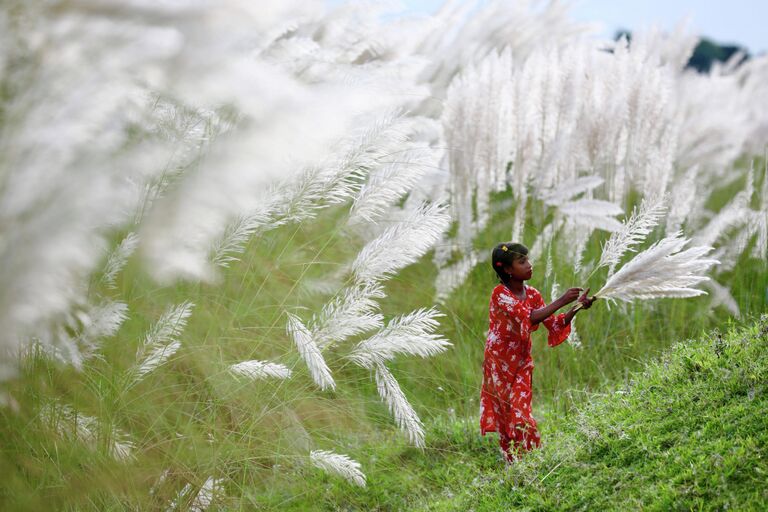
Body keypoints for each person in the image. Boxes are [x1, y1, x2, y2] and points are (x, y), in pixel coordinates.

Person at [479, 242, 595, 464]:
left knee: (522, 415)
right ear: (507, 270)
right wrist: (562, 300)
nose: (530, 265)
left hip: (522, 363)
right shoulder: (499, 294)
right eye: (522, 262)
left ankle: (534, 459)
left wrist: (577, 307)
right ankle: (514, 464)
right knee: (505, 421)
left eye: (528, 260)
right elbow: (528, 317)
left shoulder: (532, 294)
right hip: (498, 365)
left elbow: (554, 325)